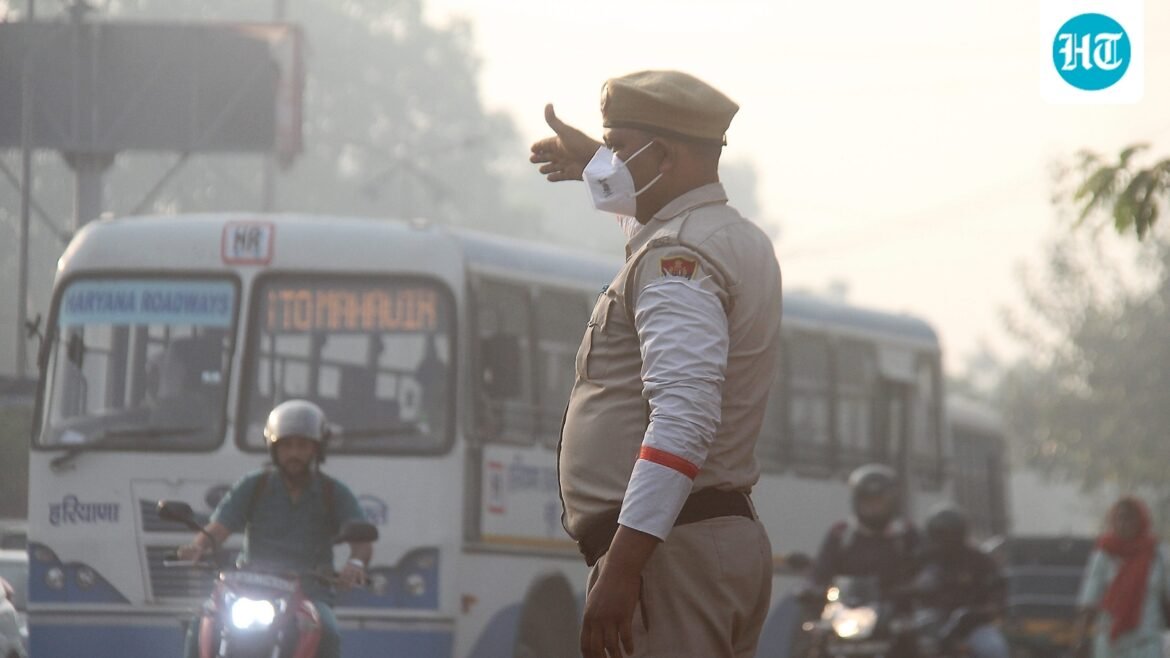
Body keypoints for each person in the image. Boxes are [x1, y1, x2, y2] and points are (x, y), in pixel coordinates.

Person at [529, 69, 782, 658]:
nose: (611, 163)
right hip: (698, 544)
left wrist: (622, 568)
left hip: (670, 557)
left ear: (663, 156)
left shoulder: (678, 255)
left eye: (619, 148)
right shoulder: (731, 237)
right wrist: (595, 163)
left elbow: (683, 419)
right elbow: (648, 209)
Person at [176, 399, 372, 658]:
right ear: (274, 449)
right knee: (201, 623)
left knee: (329, 631)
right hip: (249, 587)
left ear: (317, 449)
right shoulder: (254, 486)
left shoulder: (332, 492)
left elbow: (362, 541)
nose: (294, 454)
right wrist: (197, 546)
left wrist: (355, 564)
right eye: (287, 446)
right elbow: (219, 528)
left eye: (302, 446)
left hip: (309, 592)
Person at [1074, 496, 1170, 658]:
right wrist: (1080, 640)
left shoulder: (1158, 554)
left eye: (1129, 518)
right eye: (1119, 518)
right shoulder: (1104, 554)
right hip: (1110, 645)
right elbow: (1089, 601)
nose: (1123, 523)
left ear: (1141, 520)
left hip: (1146, 645)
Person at [913, 503, 1010, 658]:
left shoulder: (980, 561)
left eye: (949, 534)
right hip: (929, 623)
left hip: (973, 626)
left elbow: (998, 596)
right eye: (939, 534)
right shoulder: (922, 560)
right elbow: (906, 588)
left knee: (993, 648)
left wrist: (974, 614)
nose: (944, 540)